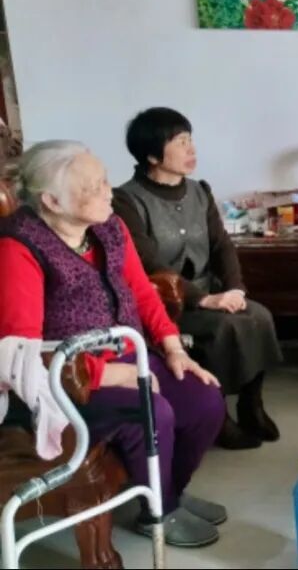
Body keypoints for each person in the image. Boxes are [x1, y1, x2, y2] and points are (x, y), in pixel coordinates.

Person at [0, 140, 226, 547]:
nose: (109, 192)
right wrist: (104, 373)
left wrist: (174, 348)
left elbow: (141, 292)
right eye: (93, 187)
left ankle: (168, 491)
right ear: (52, 201)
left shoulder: (110, 226)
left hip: (131, 354)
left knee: (204, 400)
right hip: (64, 382)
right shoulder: (18, 248)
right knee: (150, 411)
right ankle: (160, 512)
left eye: (105, 180)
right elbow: (21, 354)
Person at [113, 107, 282, 451]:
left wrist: (235, 288)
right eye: (180, 142)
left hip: (211, 291)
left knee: (259, 316)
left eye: (190, 140)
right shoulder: (126, 200)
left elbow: (221, 245)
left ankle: (252, 404)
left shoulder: (200, 191)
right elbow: (147, 261)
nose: (191, 149)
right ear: (152, 155)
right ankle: (219, 418)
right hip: (167, 303)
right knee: (223, 329)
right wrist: (202, 299)